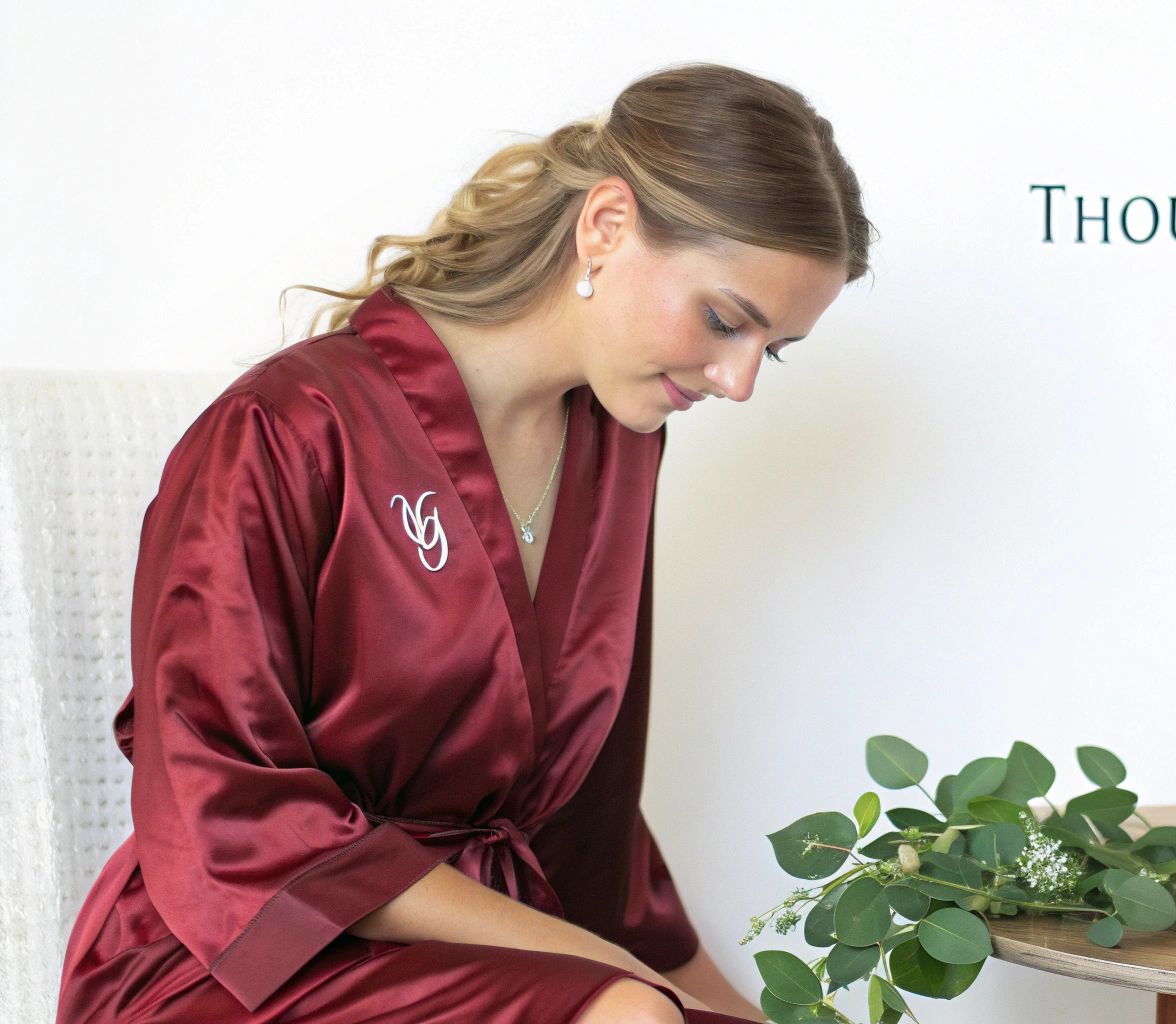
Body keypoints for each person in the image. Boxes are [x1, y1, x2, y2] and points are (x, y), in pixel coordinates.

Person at [55, 62, 872, 1024]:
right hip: (237, 959)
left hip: (506, 958)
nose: (737, 382)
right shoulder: (288, 428)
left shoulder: (618, 448)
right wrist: (608, 972)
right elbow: (223, 802)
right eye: (724, 320)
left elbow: (588, 810)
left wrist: (724, 1006)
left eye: (767, 350)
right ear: (606, 226)